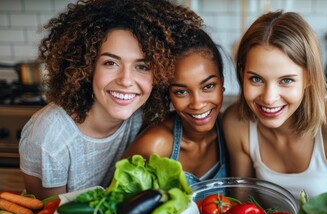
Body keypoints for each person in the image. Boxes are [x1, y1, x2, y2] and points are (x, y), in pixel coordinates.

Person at [19, 0, 202, 199]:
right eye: (110, 63)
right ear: (86, 66)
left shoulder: (146, 114)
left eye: (142, 66)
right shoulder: (50, 136)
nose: (125, 80)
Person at [222, 11, 327, 200]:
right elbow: (243, 207)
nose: (269, 98)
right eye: (256, 79)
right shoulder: (236, 122)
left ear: (309, 77)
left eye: (286, 80)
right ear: (241, 73)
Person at [123, 28, 228, 186]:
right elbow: (114, 203)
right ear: (168, 95)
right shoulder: (156, 145)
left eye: (208, 86)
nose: (198, 104)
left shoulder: (228, 133)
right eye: (181, 92)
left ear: (222, 83)